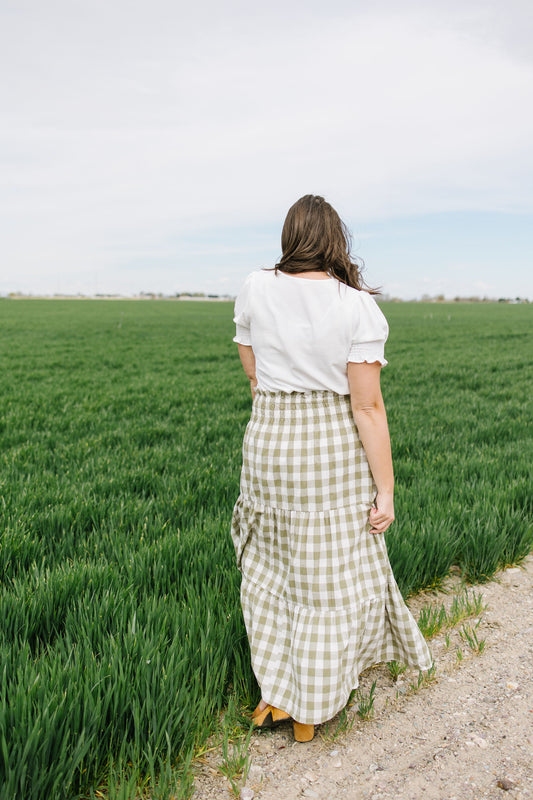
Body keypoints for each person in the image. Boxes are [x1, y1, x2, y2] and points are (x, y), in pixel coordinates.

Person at [231, 195, 432, 743]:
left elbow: (253, 373)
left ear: (289, 236)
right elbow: (367, 407)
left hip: (269, 443)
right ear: (335, 240)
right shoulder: (355, 307)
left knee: (270, 572)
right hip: (330, 449)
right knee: (327, 582)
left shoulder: (255, 287)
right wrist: (385, 490)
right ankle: (310, 709)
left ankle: (274, 692)